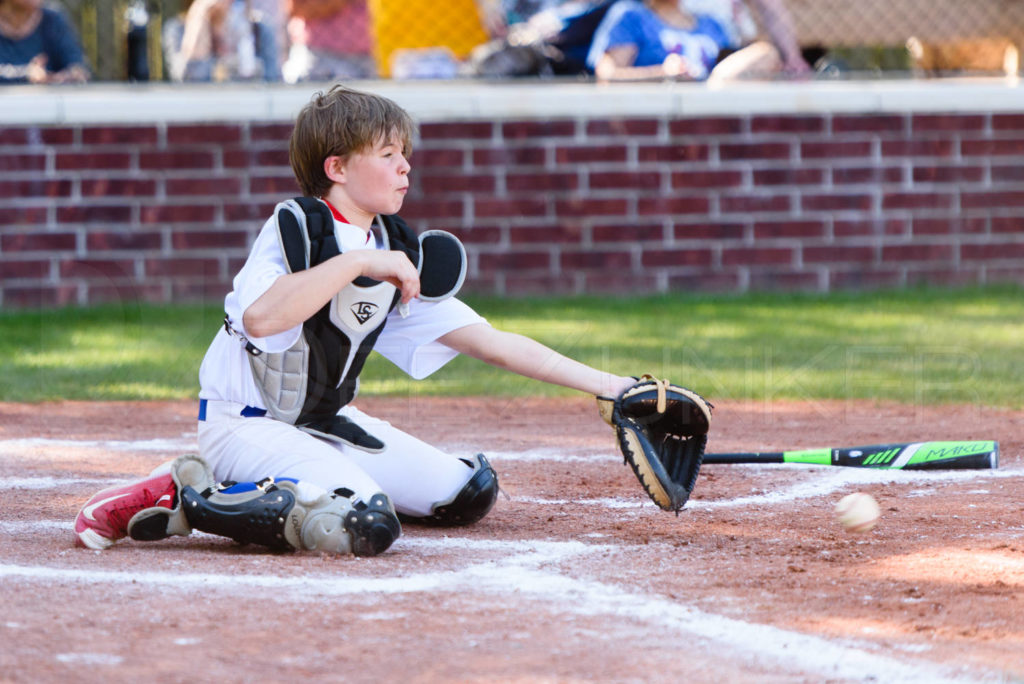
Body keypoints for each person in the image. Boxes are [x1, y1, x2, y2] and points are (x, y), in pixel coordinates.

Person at [74, 85, 641, 558]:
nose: (405, 165)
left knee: (467, 492)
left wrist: (617, 388)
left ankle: (284, 486)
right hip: (243, 425)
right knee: (364, 524)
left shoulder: (394, 248)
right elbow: (262, 318)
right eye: (388, 153)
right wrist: (360, 263)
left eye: (405, 153)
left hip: (321, 422)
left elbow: (491, 343)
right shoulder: (298, 228)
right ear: (337, 167)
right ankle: (189, 492)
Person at [587, 0, 732, 81]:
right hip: (654, 122)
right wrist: (662, 74)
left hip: (711, 121)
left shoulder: (711, 23)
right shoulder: (631, 16)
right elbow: (607, 76)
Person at [0, 0, 88, 84]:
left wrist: (63, 77)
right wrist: (25, 74)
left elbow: (77, 66)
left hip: (49, 98)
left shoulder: (53, 19)